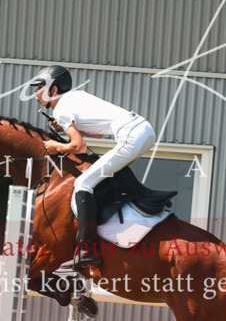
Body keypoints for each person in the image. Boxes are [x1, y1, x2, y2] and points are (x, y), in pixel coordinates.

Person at [30, 65, 156, 269]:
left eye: (39, 88)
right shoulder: (76, 96)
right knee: (105, 177)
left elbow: (79, 147)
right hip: (145, 130)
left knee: (82, 183)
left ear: (53, 90)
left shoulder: (61, 108)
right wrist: (68, 127)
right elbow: (97, 133)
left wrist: (57, 146)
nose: (35, 93)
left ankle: (87, 250)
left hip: (132, 135)